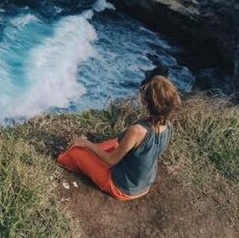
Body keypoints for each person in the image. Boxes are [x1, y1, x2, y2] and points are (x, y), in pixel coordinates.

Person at [57, 73, 182, 201]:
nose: (142, 90)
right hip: (144, 184)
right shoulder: (167, 125)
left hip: (121, 188)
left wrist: (86, 143)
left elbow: (111, 160)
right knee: (114, 142)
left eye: (145, 89)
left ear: (147, 102)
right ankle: (90, 156)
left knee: (75, 152)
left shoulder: (137, 131)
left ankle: (66, 159)